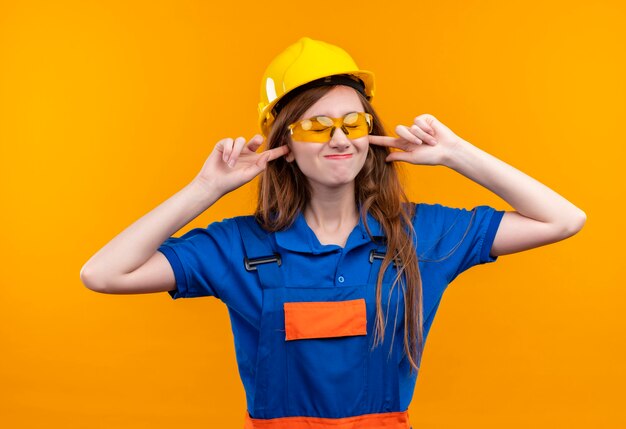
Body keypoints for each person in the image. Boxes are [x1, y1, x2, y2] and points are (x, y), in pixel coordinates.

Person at [80, 37, 586, 429]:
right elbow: (102, 273)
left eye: (353, 122)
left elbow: (563, 219)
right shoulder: (238, 246)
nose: (340, 138)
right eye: (318, 127)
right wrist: (204, 188)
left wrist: (457, 155)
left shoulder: (420, 233)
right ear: (285, 144)